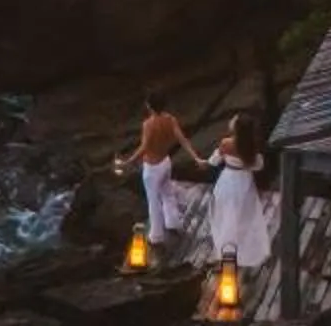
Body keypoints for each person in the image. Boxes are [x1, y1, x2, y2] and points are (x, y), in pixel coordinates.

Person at [115, 90, 200, 246]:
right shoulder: (170, 120)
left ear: (149, 106)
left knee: (153, 201)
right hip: (166, 162)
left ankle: (156, 236)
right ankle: (173, 222)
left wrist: (128, 161)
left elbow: (144, 147)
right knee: (167, 193)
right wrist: (195, 157)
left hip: (152, 169)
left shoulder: (148, 124)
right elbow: (183, 140)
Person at [200, 111, 275, 271]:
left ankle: (225, 254)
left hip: (228, 181)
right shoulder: (251, 147)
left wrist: (204, 162)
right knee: (242, 217)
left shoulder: (226, 143)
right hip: (245, 183)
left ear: (237, 127)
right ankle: (238, 250)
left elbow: (214, 161)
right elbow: (258, 165)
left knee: (224, 216)